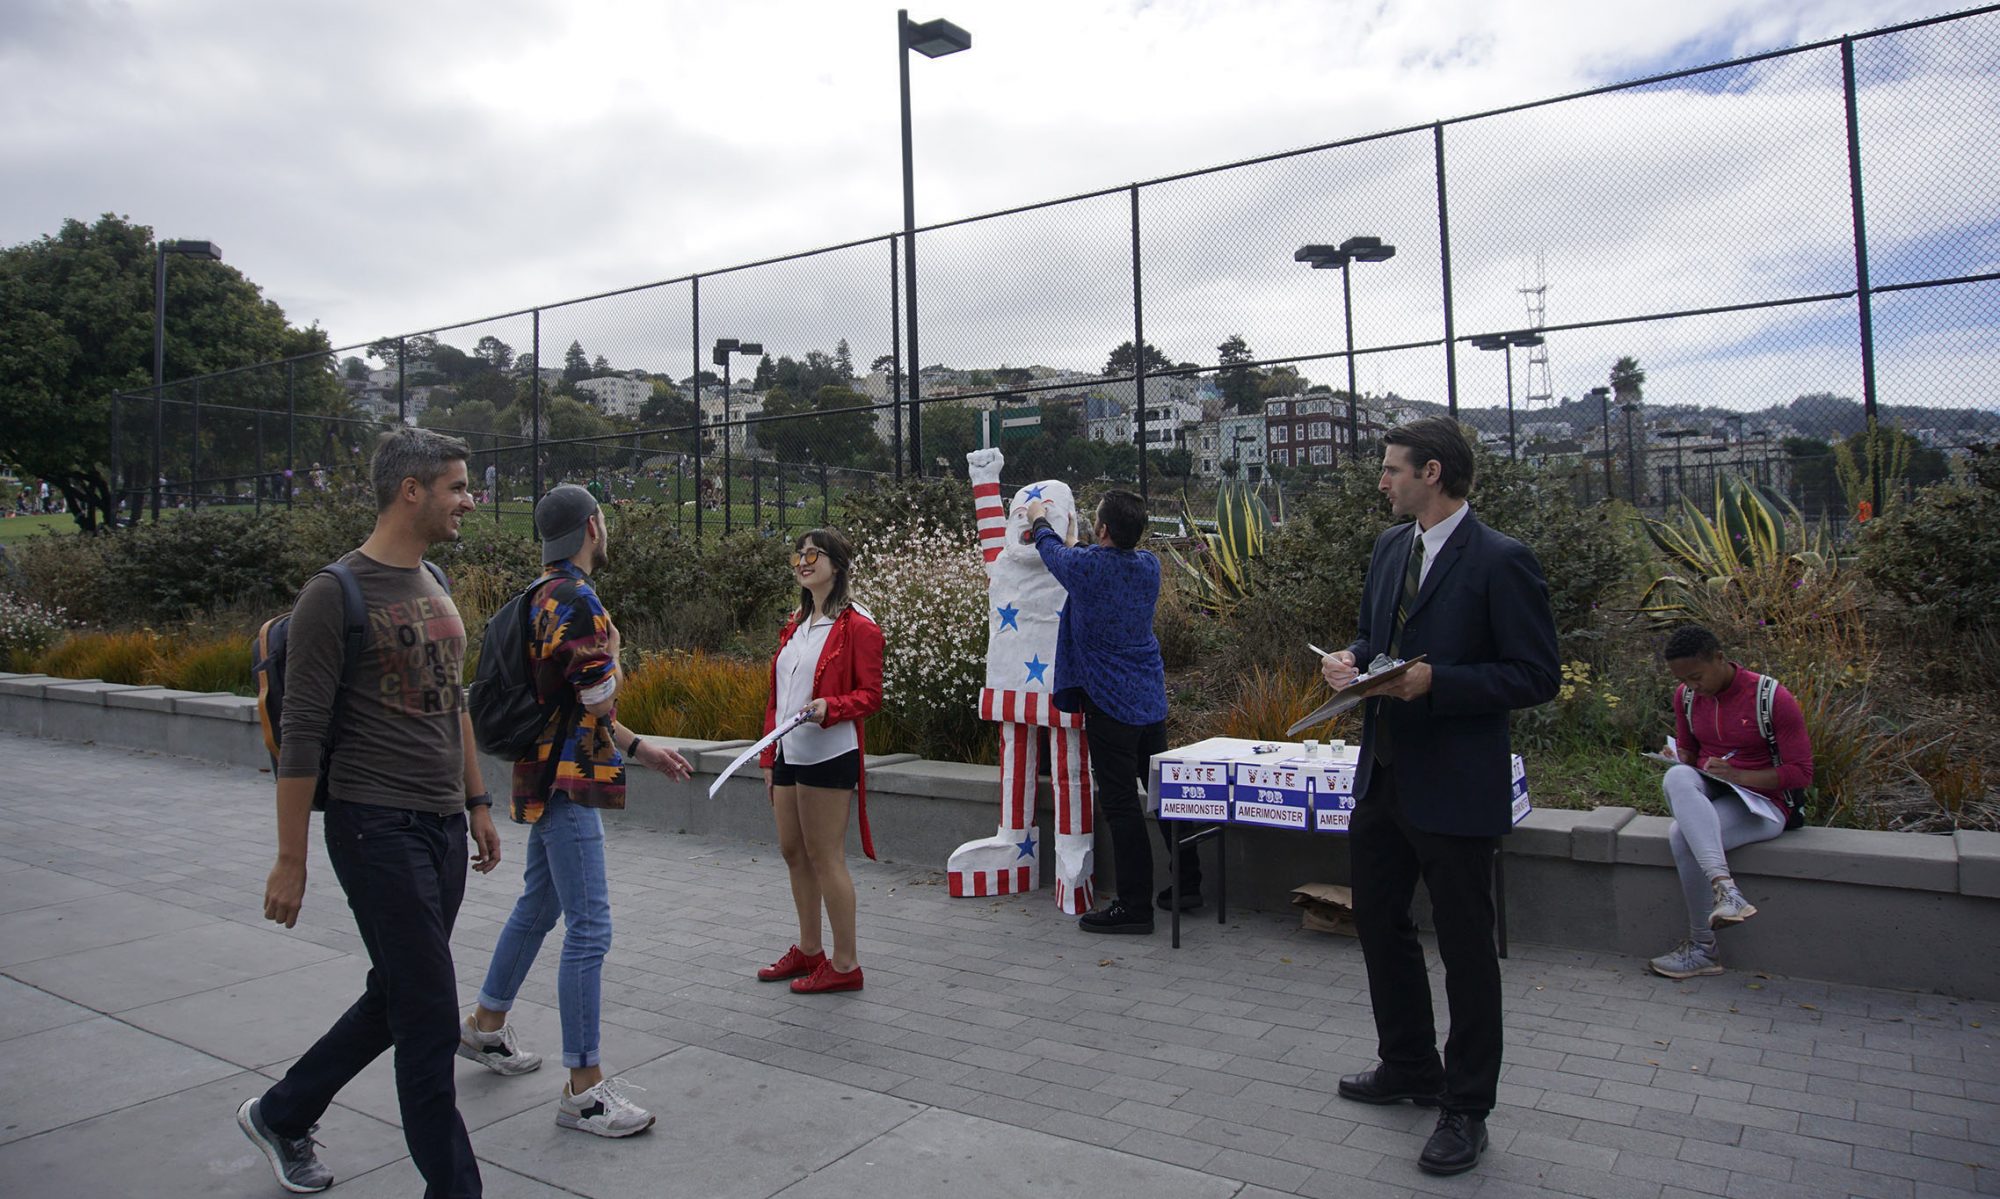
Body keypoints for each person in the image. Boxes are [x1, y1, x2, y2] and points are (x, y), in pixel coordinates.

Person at [239, 428, 498, 1198]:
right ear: (411, 490)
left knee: (399, 992)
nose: (468, 499)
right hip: (372, 824)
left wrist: (477, 801)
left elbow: (454, 703)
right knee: (427, 1015)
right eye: (456, 486)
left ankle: (282, 1113)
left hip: (441, 824)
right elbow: (302, 734)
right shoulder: (335, 592)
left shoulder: (434, 577)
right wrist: (292, 857)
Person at [1320, 417, 1558, 1177]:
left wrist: (1439, 683)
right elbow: (1371, 636)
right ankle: (1410, 1064)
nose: (1382, 481)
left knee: (1464, 950)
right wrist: (1350, 661)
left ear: (1431, 472)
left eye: (1391, 470)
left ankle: (1466, 1106)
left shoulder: (1501, 561)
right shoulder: (1391, 547)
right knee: (1379, 924)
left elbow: (1535, 675)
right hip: (1384, 775)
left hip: (1455, 790)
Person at [458, 484, 694, 1137]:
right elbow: (596, 693)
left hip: (544, 770)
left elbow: (574, 703)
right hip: (567, 780)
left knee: (540, 904)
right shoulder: (578, 598)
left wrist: (640, 747)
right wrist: (614, 649)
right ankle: (584, 1089)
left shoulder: (538, 596)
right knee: (590, 927)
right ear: (593, 525)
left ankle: (484, 1023)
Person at [1023, 488, 1194, 935]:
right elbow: (1083, 561)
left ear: (1102, 530)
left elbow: (1051, 551)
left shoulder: (1090, 568)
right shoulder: (1149, 566)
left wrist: (1039, 517)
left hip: (1110, 706)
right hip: (1149, 701)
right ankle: (1189, 884)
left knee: (1122, 806)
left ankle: (1135, 906)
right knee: (1163, 795)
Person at [756, 528, 883, 994]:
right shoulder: (796, 623)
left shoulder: (858, 625)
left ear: (837, 563)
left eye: (814, 554)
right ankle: (810, 951)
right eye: (799, 555)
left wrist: (833, 707)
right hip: (790, 752)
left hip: (829, 753)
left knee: (825, 856)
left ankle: (845, 963)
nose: (804, 562)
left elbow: (870, 696)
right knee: (793, 852)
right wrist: (769, 756)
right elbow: (778, 695)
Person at [1648, 623, 1814, 980]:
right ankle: (1726, 890)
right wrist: (1677, 756)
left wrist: (1739, 776)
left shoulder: (1770, 697)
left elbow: (1801, 772)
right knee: (1677, 775)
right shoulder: (1687, 696)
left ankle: (1703, 948)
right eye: (1684, 680)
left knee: (1681, 836)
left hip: (1764, 806)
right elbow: (1691, 756)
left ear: (1720, 659)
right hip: (1717, 793)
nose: (1693, 687)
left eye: (1697, 676)